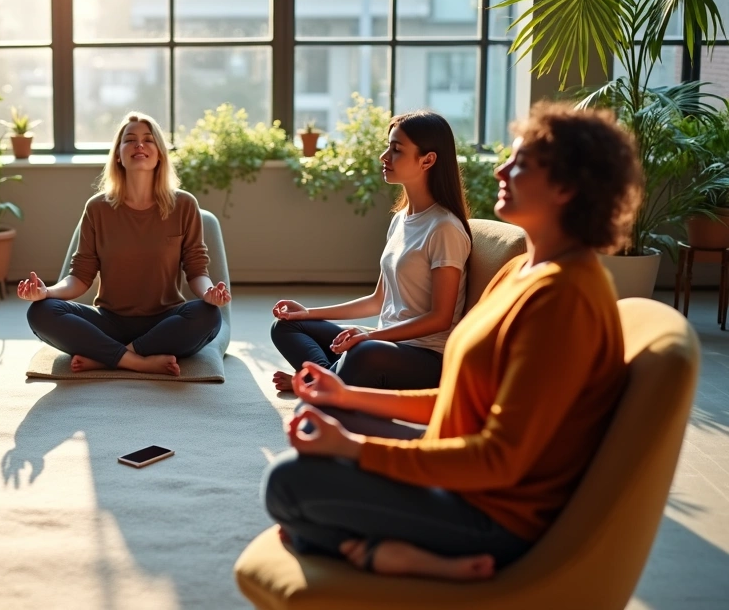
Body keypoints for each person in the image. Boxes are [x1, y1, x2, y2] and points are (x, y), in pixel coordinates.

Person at [261, 102, 641, 580]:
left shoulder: (565, 299)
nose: (501, 167)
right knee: (320, 421)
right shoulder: (520, 273)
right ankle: (360, 544)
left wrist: (357, 449)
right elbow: (464, 399)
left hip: (492, 515)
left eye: (520, 162)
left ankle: (379, 553)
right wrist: (347, 394)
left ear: (565, 187)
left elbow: (500, 460)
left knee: (287, 486)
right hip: (458, 471)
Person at [270, 111, 471, 392]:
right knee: (285, 327)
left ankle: (317, 382)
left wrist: (369, 337)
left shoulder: (444, 228)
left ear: (428, 160)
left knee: (362, 353)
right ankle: (326, 380)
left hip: (424, 358)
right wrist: (306, 314)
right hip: (385, 343)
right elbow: (378, 301)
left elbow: (441, 318)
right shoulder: (400, 219)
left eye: (397, 149)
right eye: (388, 146)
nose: (384, 156)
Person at [18, 111, 229, 377]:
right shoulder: (97, 208)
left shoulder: (184, 205)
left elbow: (197, 271)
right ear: (118, 154)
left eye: (148, 140)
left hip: (165, 320)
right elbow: (80, 277)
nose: (139, 145)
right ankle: (138, 360)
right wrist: (45, 293)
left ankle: (108, 357)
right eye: (130, 139)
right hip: (109, 320)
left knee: (208, 316)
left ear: (160, 153)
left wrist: (210, 293)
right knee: (41, 313)